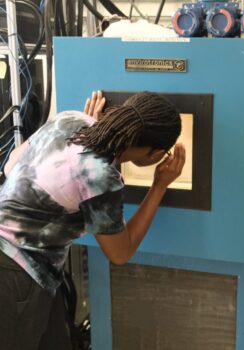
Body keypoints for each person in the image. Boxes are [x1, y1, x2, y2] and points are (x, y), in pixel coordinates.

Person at [0, 90, 185, 350]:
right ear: (153, 153)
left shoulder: (70, 119)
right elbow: (120, 253)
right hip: (17, 276)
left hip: (25, 266)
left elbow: (11, 164)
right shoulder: (101, 176)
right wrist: (159, 186)